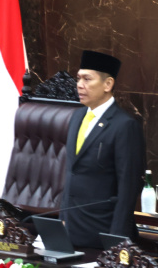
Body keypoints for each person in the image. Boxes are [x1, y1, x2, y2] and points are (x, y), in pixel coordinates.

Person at [61, 51, 145, 248]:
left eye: (87, 79)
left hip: (101, 233)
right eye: (78, 78)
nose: (80, 85)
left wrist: (116, 240)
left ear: (108, 84)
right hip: (71, 230)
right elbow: (71, 172)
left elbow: (128, 188)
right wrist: (63, 218)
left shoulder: (124, 126)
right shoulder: (77, 117)